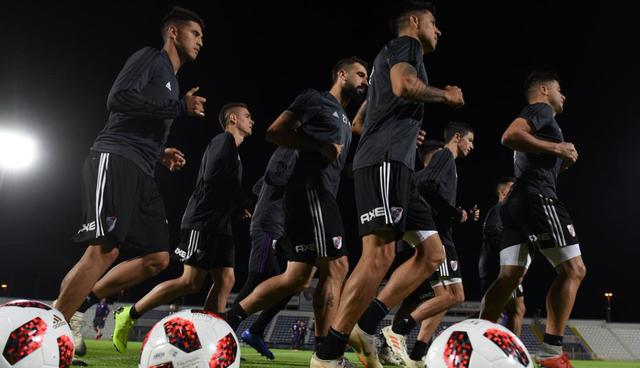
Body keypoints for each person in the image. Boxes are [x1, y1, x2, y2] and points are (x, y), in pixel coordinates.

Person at [313, 2, 464, 367]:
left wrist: (398, 127)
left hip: (396, 165)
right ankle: (327, 355)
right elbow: (405, 85)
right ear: (414, 22)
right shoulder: (405, 46)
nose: (438, 30)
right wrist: (446, 95)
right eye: (433, 22)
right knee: (380, 253)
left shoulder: (387, 62)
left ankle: (365, 326)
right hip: (384, 163)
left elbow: (358, 123)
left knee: (432, 253)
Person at [53, 6, 206, 358]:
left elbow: (142, 122)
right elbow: (118, 99)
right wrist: (178, 108)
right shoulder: (150, 58)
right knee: (105, 249)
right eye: (195, 33)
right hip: (115, 157)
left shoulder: (172, 77)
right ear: (173, 32)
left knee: (158, 257)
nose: (200, 41)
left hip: (142, 168)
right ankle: (51, 332)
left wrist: (161, 152)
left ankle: (77, 307)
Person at [223, 57, 368, 367]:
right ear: (341, 74)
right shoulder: (315, 99)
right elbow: (275, 132)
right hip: (310, 191)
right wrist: (318, 146)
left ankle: (229, 319)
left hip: (318, 193)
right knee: (338, 266)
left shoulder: (343, 118)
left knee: (297, 277)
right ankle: (325, 354)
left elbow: (338, 162)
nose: (364, 80)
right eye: (360, 74)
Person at [111, 102, 254, 352]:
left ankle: (212, 340)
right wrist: (239, 201)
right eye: (247, 116)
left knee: (226, 279)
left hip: (221, 225)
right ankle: (129, 313)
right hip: (202, 221)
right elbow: (212, 179)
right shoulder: (223, 141)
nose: (252, 120)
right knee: (190, 282)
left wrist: (236, 206)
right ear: (233, 118)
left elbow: (223, 183)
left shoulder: (235, 151)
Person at [480, 71, 586, 368]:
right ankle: (551, 352)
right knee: (574, 270)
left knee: (508, 277)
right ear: (543, 90)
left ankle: (479, 333)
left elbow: (531, 161)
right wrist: (557, 148)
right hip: (537, 199)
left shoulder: (542, 124)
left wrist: (560, 163)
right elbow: (509, 136)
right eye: (559, 89)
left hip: (516, 203)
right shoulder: (541, 110)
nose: (563, 95)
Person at [382, 122, 478, 367]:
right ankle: (396, 333)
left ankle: (415, 353)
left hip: (438, 234)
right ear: (457, 137)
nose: (472, 146)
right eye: (470, 140)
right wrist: (453, 213)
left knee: (443, 297)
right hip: (439, 238)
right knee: (452, 296)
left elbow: (425, 187)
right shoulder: (446, 156)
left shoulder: (448, 163)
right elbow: (424, 185)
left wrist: (458, 212)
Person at [238, 148, 302, 361]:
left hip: (275, 226)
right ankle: (222, 332)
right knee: (256, 279)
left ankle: (256, 330)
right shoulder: (290, 148)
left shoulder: (292, 151)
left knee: (289, 285)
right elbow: (272, 177)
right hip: (267, 226)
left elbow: (259, 186)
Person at [479, 177, 526, 336]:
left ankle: (509, 349)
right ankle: (510, 351)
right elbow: (495, 233)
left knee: (513, 308)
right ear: (503, 191)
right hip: (499, 268)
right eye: (513, 189)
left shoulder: (504, 211)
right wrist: (511, 264)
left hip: (500, 267)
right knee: (512, 309)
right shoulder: (500, 210)